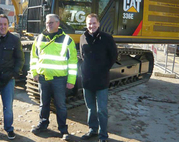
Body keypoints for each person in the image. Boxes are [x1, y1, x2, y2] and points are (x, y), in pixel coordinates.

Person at [30, 14, 78, 141]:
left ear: (58, 23)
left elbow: (73, 62)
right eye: (47, 22)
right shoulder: (39, 38)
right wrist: (34, 73)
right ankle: (43, 125)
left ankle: (63, 130)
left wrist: (71, 80)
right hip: (43, 78)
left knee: (60, 105)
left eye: (51, 22)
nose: (48, 25)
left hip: (59, 79)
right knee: (43, 104)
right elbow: (34, 57)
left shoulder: (67, 40)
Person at [79, 13, 117, 142]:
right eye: (89, 23)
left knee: (101, 109)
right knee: (90, 108)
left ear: (98, 24)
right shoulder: (83, 37)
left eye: (94, 23)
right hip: (87, 80)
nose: (92, 26)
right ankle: (92, 130)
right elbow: (82, 56)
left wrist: (103, 69)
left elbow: (113, 56)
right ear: (86, 24)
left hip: (101, 80)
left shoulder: (107, 38)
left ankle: (103, 135)